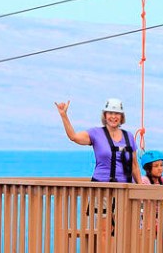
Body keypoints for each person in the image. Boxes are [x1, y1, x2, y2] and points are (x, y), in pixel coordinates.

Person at [55, 98, 142, 252]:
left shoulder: (129, 136)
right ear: (105, 115)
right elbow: (74, 137)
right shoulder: (95, 133)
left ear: (122, 116)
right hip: (102, 189)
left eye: (117, 113)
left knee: (123, 229)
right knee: (104, 230)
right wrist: (64, 115)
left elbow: (134, 165)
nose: (113, 117)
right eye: (110, 113)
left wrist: (140, 188)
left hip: (126, 190)